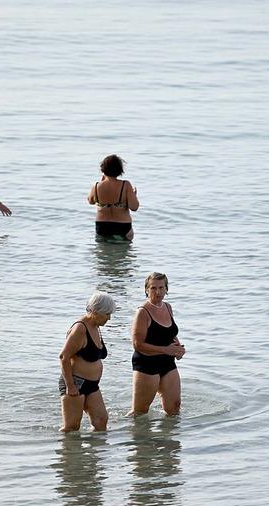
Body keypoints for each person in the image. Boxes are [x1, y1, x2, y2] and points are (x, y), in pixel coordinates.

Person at [58, 291, 116, 432]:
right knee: (71, 427)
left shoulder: (96, 326)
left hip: (92, 385)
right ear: (95, 311)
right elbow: (64, 357)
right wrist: (70, 385)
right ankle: (66, 453)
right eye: (107, 314)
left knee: (101, 421)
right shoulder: (80, 328)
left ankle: (93, 454)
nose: (109, 318)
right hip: (76, 383)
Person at [130, 272, 185, 417]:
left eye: (161, 288)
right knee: (140, 412)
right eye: (153, 288)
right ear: (146, 290)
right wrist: (167, 350)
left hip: (167, 362)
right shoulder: (143, 312)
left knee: (174, 408)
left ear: (167, 289)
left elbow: (169, 333)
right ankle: (130, 435)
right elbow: (137, 344)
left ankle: (168, 439)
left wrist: (177, 347)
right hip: (147, 363)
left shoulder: (167, 307)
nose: (158, 292)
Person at [88, 154, 140, 241]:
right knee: (123, 252)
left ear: (103, 169)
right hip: (122, 225)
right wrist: (133, 196)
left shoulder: (96, 185)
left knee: (103, 252)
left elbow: (91, 201)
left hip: (102, 225)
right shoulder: (125, 185)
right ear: (120, 170)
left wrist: (102, 183)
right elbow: (134, 207)